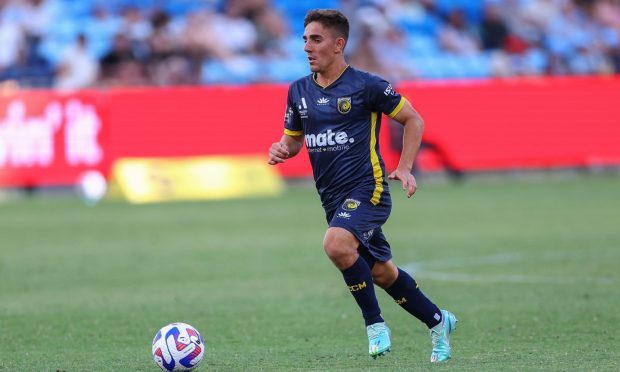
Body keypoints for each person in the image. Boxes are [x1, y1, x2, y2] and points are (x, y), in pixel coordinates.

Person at [267, 9, 457, 362]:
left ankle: (374, 325)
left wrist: (405, 167)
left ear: (338, 45)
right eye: (305, 39)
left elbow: (413, 119)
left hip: (368, 190)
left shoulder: (366, 86)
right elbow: (293, 141)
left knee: (336, 245)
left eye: (316, 39)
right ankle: (438, 320)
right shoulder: (298, 92)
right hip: (332, 200)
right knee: (382, 273)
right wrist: (282, 149)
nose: (307, 46)